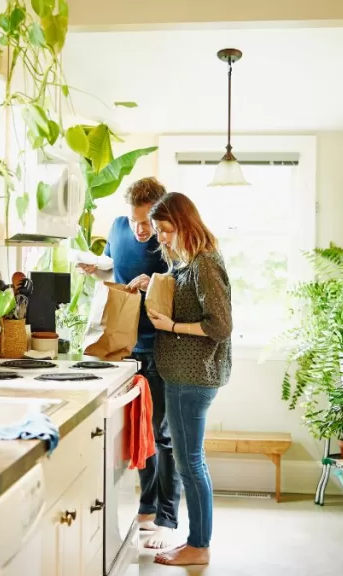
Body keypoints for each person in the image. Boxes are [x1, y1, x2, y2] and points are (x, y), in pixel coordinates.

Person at [77, 177, 181, 550]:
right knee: (141, 434)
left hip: (161, 348)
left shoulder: (171, 237)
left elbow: (183, 281)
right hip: (124, 347)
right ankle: (147, 505)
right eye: (134, 220)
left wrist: (153, 279)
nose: (140, 230)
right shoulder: (119, 228)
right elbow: (114, 266)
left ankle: (167, 516)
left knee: (164, 436)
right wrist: (99, 268)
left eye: (146, 222)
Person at [145, 192, 233, 567]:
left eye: (165, 230)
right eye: (157, 231)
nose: (161, 238)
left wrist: (173, 326)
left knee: (190, 463)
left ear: (184, 223)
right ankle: (196, 542)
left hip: (191, 377)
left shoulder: (205, 264)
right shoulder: (189, 262)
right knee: (190, 461)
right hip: (183, 375)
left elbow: (221, 325)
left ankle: (199, 546)